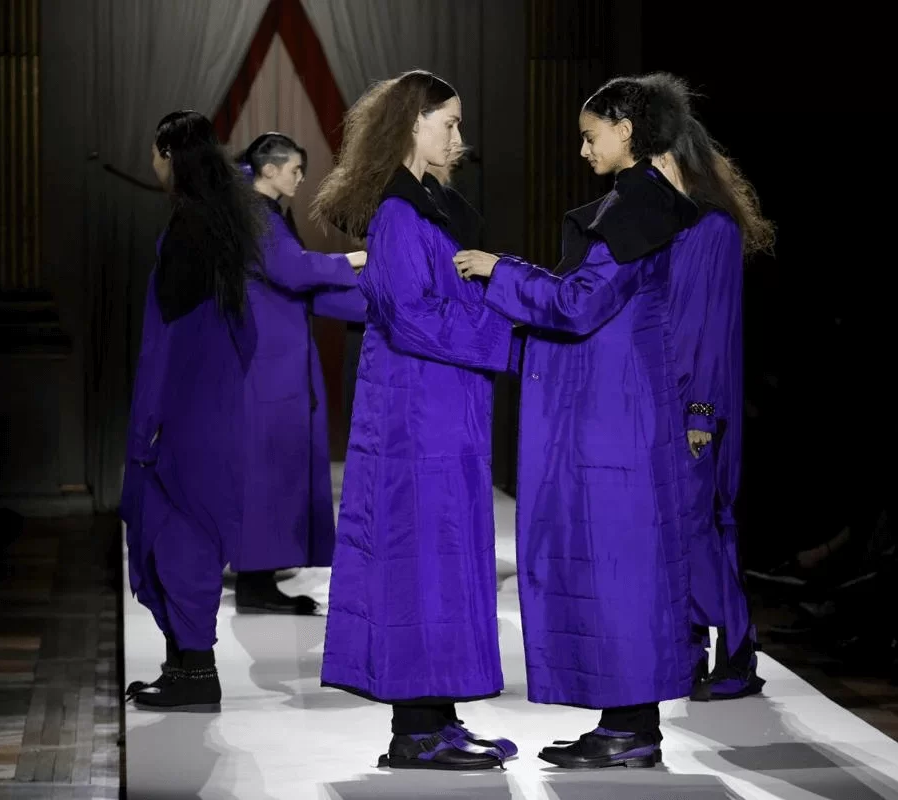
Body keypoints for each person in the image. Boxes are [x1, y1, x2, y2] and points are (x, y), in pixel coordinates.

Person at [454, 73, 702, 769]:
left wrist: (500, 271)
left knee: (619, 568)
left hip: (615, 416)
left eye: (592, 136)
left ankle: (629, 728)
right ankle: (625, 723)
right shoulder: (639, 202)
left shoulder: (639, 205)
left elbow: (579, 304)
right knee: (616, 566)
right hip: (616, 409)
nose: (585, 149)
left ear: (626, 130)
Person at [308, 70, 518, 770]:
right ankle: (416, 730)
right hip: (417, 412)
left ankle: (439, 716)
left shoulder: (430, 205)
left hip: (444, 405)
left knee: (447, 556)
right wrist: (505, 335)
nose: (460, 138)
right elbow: (410, 317)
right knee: (423, 558)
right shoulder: (400, 214)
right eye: (448, 123)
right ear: (410, 125)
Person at [120, 110, 265, 712]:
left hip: (182, 402)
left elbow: (171, 336)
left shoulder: (189, 228)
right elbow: (243, 332)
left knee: (175, 528)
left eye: (154, 154)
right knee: (188, 525)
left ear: (167, 155)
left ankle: (196, 672)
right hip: (212, 401)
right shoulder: (221, 221)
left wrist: (152, 417)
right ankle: (184, 668)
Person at [645, 79, 775, 702]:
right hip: (677, 399)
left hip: (698, 404)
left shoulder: (711, 228)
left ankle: (740, 651)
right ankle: (695, 649)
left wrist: (699, 411)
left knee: (698, 528)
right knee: (688, 529)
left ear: (669, 156)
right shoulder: (684, 224)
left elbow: (710, 330)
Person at [229, 132, 365, 614]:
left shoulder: (263, 213)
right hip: (269, 361)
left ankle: (260, 575)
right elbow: (292, 271)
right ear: (269, 169)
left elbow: (296, 280)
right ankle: (256, 580)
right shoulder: (255, 215)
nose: (301, 178)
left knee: (276, 466)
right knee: (269, 467)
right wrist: (354, 259)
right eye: (295, 170)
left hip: (277, 356)